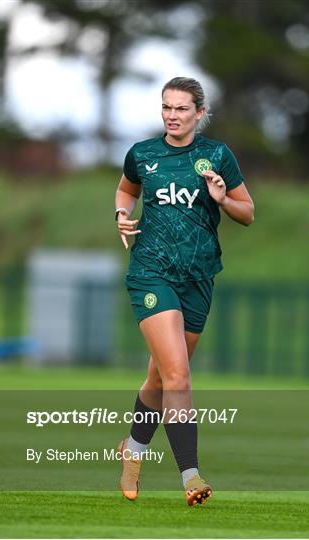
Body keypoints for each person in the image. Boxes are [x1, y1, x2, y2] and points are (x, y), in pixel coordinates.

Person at [115, 77, 254, 506]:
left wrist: (221, 200)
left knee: (160, 376)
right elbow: (126, 190)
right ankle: (191, 477)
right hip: (151, 274)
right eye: (166, 107)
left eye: (180, 109)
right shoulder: (143, 154)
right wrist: (121, 213)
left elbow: (247, 213)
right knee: (178, 374)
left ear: (199, 112)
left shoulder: (216, 156)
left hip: (198, 278)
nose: (172, 116)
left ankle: (132, 449)